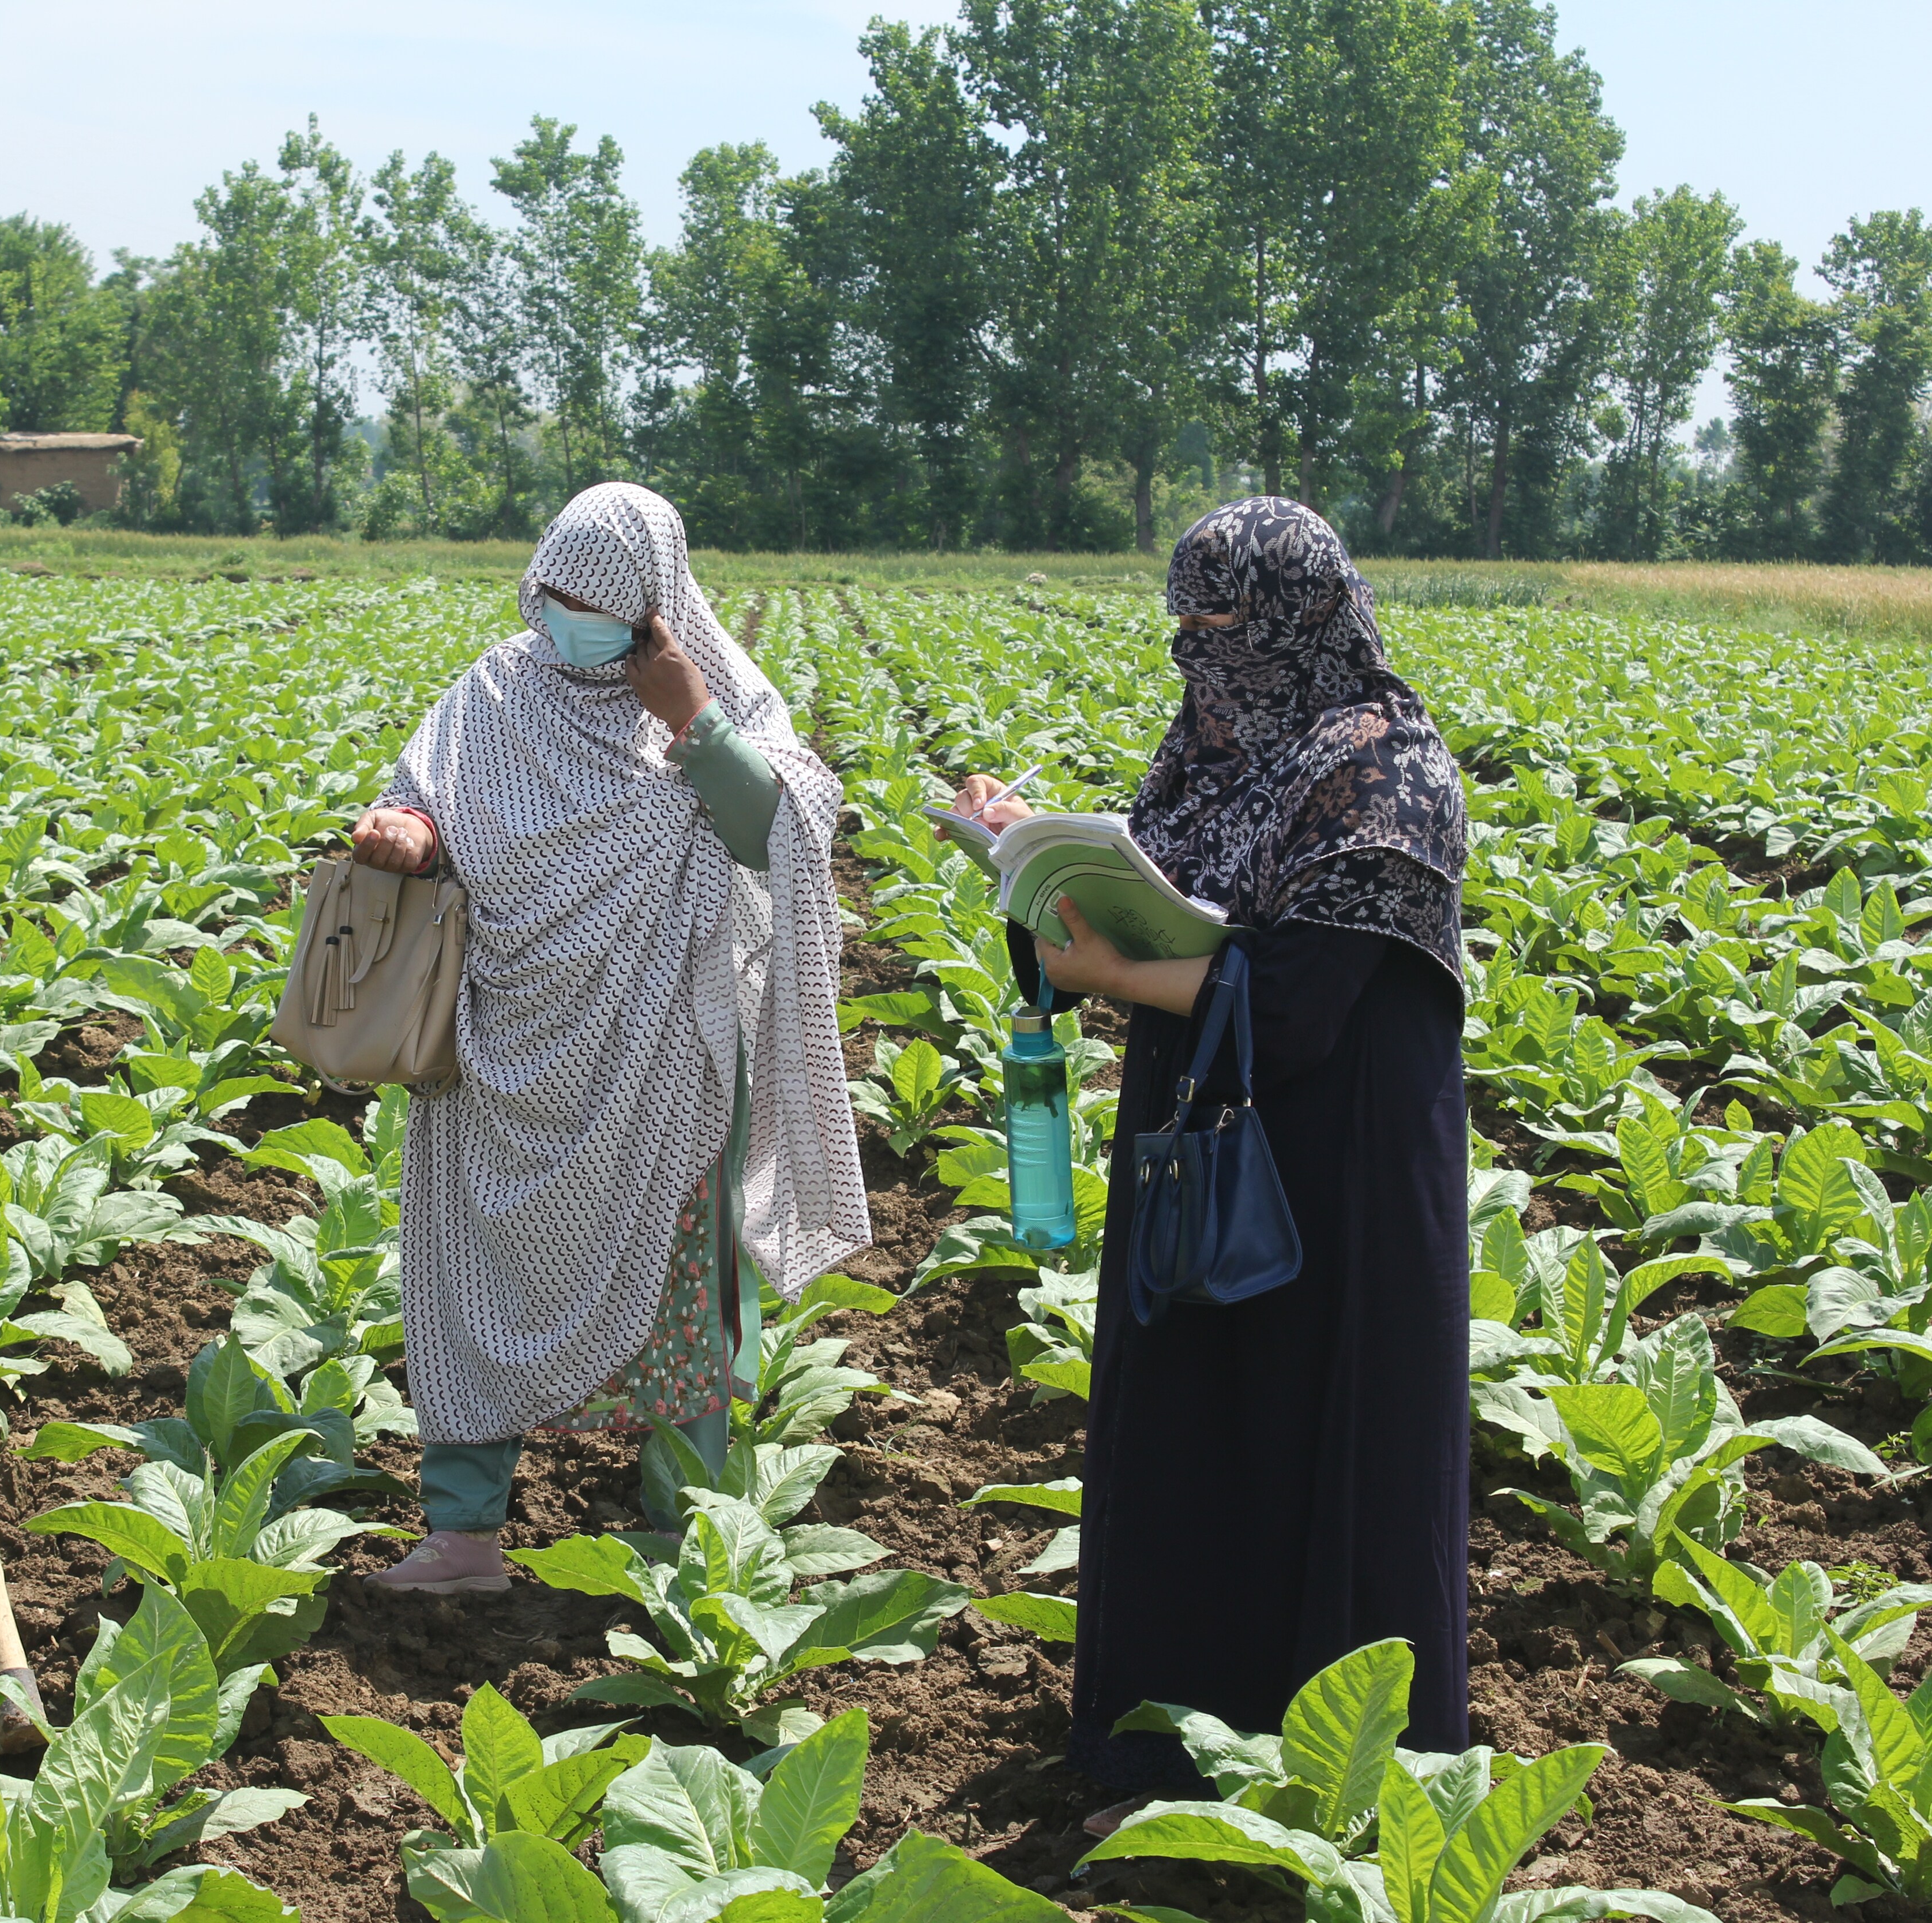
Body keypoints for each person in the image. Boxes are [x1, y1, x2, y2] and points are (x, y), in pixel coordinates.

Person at [954, 496, 1472, 1800]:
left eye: (1226, 627)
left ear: (1302, 618)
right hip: (1199, 1138)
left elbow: (1297, 999)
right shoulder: (1211, 749)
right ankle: (1170, 1744)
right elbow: (1166, 902)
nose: (1201, 658)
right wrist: (1031, 856)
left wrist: (1117, 968)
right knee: (1192, 1425)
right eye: (1183, 629)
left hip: (1332, 1173)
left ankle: (1344, 1771)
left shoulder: (1383, 765)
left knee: (1319, 1440)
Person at [347, 482, 873, 1595]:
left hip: (664, 1056)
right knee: (476, 1278)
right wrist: (409, 829)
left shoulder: (711, 694)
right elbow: (432, 801)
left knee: (687, 1295)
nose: (567, 615)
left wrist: (692, 716)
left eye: (596, 600)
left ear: (651, 602)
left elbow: (779, 833)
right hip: (504, 1048)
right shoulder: (493, 690)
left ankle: (685, 1545)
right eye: (555, 592)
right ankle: (463, 1538)